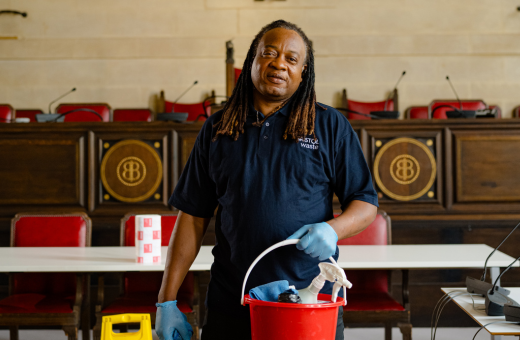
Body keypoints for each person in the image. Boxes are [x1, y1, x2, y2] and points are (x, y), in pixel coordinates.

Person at [156, 19, 378, 340]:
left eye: (291, 59)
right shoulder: (219, 128)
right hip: (231, 301)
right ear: (252, 62)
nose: (279, 64)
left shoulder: (329, 126)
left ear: (304, 72)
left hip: (308, 299)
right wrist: (166, 300)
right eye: (269, 53)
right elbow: (191, 217)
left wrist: (333, 229)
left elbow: (365, 202)